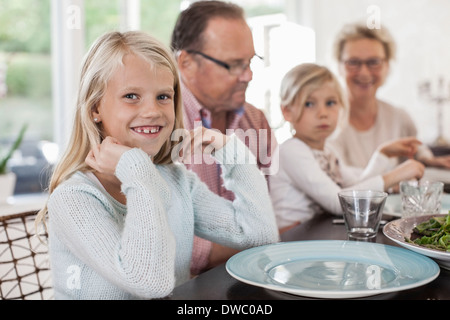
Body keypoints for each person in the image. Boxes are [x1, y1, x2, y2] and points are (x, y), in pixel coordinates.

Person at [34, 31, 279, 300]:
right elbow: (150, 282)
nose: (152, 111)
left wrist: (231, 152)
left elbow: (259, 237)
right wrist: (137, 171)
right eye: (131, 96)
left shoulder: (177, 181)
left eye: (163, 96)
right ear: (95, 109)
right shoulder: (73, 199)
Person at [170, 0, 278, 274]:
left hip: (251, 277)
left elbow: (272, 211)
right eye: (234, 65)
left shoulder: (255, 121)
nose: (248, 75)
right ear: (187, 63)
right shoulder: (158, 125)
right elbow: (165, 242)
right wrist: (253, 240)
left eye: (251, 62)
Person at [270, 63, 425, 233]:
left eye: (330, 103)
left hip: (317, 232)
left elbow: (357, 187)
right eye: (309, 104)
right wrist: (395, 175)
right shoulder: (292, 151)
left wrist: (382, 154)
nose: (323, 113)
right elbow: (339, 202)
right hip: (293, 239)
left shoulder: (327, 152)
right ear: (287, 112)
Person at [327, 22, 450, 169]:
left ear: (387, 66)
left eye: (374, 62)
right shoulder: (325, 121)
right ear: (339, 66)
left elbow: (418, 150)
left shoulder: (400, 118)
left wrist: (428, 161)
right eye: (353, 62)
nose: (364, 72)